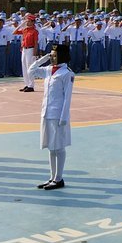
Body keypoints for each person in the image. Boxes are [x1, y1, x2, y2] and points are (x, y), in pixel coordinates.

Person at [28, 43, 74, 189]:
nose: (52, 58)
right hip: (46, 112)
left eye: (55, 55)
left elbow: (67, 98)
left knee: (58, 147)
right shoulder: (48, 70)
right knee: (50, 147)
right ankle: (52, 177)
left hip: (58, 114)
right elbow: (31, 70)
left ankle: (59, 178)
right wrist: (44, 58)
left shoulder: (67, 74)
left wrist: (64, 117)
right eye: (51, 56)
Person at [15, 13, 39, 93]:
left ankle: (31, 85)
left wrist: (34, 54)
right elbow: (14, 32)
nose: (27, 22)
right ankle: (27, 84)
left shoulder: (34, 31)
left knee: (30, 67)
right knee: (24, 67)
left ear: (33, 22)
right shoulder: (25, 30)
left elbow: (36, 43)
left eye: (28, 21)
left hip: (31, 50)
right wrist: (22, 24)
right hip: (24, 49)